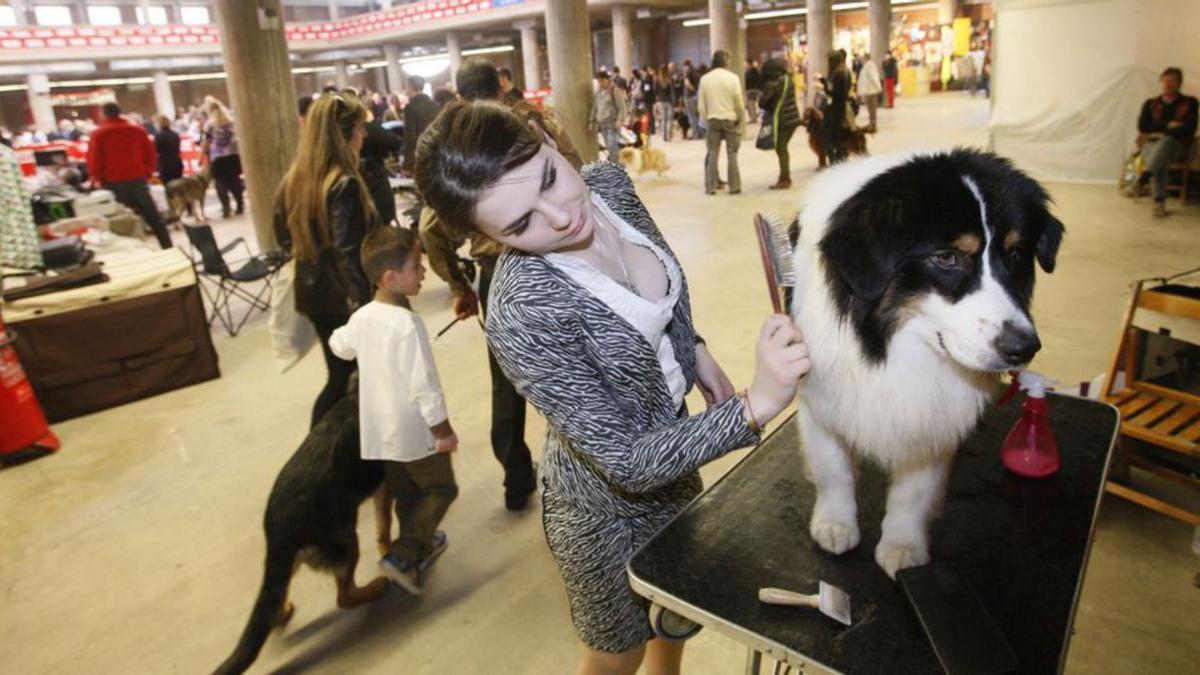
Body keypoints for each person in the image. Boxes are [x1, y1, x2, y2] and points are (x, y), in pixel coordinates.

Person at [414, 99, 809, 675]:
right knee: (617, 652)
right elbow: (625, 460)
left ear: (546, 138)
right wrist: (755, 405)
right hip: (602, 512)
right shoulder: (523, 310)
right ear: (483, 236)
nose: (560, 216)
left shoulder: (609, 186)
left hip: (676, 459)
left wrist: (693, 351)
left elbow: (661, 291)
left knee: (673, 619)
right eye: (520, 224)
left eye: (550, 177)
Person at [329, 226, 458, 594]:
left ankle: (418, 547)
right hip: (414, 430)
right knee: (441, 489)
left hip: (379, 431)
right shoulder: (407, 324)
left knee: (407, 494)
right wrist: (443, 432)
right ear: (390, 277)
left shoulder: (364, 316)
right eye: (416, 267)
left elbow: (339, 346)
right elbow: (424, 388)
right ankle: (403, 555)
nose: (423, 273)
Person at [275, 94, 379, 428]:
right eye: (361, 128)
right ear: (346, 133)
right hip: (345, 299)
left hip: (314, 294)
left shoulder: (295, 179)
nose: (364, 136)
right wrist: (367, 307)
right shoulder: (344, 184)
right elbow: (349, 252)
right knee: (350, 381)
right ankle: (324, 453)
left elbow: (281, 237)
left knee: (338, 374)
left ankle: (328, 453)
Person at [86, 102, 171, 249]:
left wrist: (97, 179)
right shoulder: (137, 130)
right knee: (153, 217)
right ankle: (167, 246)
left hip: (113, 182)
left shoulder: (98, 134)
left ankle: (130, 250)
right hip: (137, 179)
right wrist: (147, 172)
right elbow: (151, 154)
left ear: (104, 114)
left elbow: (94, 160)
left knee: (121, 220)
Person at [1127, 67, 1198, 217]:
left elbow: (1189, 129)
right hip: (1150, 147)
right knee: (1160, 156)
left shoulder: (1190, 103)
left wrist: (1161, 132)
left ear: (1179, 83)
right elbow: (1143, 126)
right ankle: (1158, 204)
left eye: (1172, 80)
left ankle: (1143, 180)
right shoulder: (1150, 104)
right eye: (1165, 80)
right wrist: (1168, 125)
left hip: (1179, 148)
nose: (1167, 83)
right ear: (1160, 82)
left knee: (1166, 142)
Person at [343, 89, 403, 225]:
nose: (364, 134)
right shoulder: (369, 129)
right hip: (375, 196)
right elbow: (394, 142)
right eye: (360, 129)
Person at [698, 49, 745, 195]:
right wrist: (740, 117)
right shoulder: (733, 78)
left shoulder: (705, 79)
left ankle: (710, 187)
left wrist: (707, 118)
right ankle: (734, 186)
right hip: (730, 118)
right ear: (725, 61)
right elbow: (738, 102)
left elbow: (701, 105)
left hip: (713, 119)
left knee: (712, 153)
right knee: (732, 153)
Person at [759, 57, 801, 190]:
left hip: (781, 120)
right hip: (792, 119)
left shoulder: (774, 84)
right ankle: (784, 176)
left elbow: (763, 103)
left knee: (781, 149)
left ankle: (785, 178)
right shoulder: (789, 80)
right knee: (783, 148)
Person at [202, 101, 244, 218]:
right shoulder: (231, 120)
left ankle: (226, 208)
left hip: (217, 157)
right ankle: (240, 206)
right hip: (233, 156)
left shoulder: (210, 124)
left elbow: (207, 141)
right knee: (235, 181)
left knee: (221, 183)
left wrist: (202, 155)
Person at [402, 75, 439, 174]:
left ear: (411, 87)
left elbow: (409, 136)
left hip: (420, 154)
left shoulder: (410, 108)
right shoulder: (434, 105)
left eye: (406, 87)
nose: (406, 91)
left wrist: (407, 163)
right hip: (436, 151)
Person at [822, 50, 853, 164]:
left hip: (835, 110)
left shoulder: (839, 74)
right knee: (838, 135)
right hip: (840, 109)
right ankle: (841, 158)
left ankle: (834, 160)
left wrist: (824, 85)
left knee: (830, 136)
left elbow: (836, 94)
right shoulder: (844, 71)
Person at [590, 71, 627, 164]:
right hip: (602, 125)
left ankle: (618, 170)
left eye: (602, 81)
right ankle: (616, 167)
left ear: (607, 80)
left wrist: (619, 120)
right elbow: (595, 107)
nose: (600, 83)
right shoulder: (599, 92)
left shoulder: (615, 90)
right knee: (610, 148)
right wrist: (591, 120)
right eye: (599, 81)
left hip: (612, 124)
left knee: (612, 147)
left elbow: (622, 107)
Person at [856, 53, 883, 133]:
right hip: (868, 91)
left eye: (863, 58)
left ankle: (873, 125)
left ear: (866, 58)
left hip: (871, 91)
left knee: (872, 109)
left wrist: (878, 87)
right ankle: (871, 124)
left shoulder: (870, 66)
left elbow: (874, 77)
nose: (862, 60)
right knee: (870, 109)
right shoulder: (867, 66)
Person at [154, 115, 184, 184]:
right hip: (177, 163)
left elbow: (156, 150)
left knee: (169, 188)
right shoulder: (175, 134)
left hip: (165, 166)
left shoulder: (158, 135)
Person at [654, 65, 674, 142]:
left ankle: (663, 136)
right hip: (669, 101)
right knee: (669, 119)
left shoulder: (657, 80)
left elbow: (655, 91)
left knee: (663, 119)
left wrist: (657, 99)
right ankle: (669, 136)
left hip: (660, 101)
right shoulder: (669, 80)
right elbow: (672, 92)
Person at [683, 59, 701, 140]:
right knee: (697, 115)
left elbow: (687, 83)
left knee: (692, 116)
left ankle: (695, 134)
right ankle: (699, 133)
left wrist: (692, 89)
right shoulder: (696, 71)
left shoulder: (688, 72)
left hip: (690, 96)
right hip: (696, 96)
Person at [638, 65, 657, 135]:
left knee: (650, 114)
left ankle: (651, 129)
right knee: (648, 114)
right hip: (647, 98)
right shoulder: (646, 77)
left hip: (648, 99)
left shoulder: (648, 78)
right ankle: (650, 128)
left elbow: (647, 90)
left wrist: (643, 96)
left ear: (644, 71)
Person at [744, 58, 764, 122]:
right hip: (756, 89)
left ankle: (753, 117)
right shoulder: (755, 70)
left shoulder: (750, 71)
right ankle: (755, 116)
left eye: (745, 63)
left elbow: (748, 81)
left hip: (751, 90)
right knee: (749, 105)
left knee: (750, 104)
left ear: (748, 64)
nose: (744, 65)